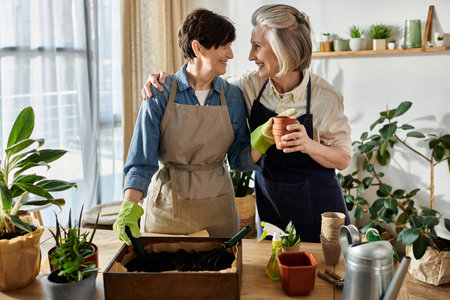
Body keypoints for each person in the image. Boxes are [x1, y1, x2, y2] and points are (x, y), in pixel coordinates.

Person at [142, 4, 352, 243]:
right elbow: (201, 81)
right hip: (271, 207)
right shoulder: (248, 86)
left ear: (282, 49)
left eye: (257, 47)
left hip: (320, 210)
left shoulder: (326, 97)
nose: (250, 56)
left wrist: (308, 144)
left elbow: (344, 158)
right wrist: (163, 82)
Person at [113, 9, 259, 246]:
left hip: (218, 213)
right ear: (198, 47)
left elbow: (238, 159)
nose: (230, 54)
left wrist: (262, 141)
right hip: (167, 211)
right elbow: (141, 161)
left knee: (220, 279)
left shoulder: (232, 96)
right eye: (223, 46)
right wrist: (129, 206)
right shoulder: (159, 93)